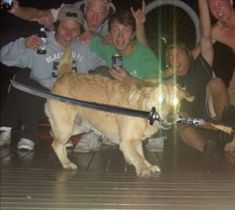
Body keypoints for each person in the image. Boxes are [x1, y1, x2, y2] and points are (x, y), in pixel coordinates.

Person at [0, 5, 106, 150]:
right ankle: (29, 134)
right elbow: (4, 57)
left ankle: (68, 133)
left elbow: (112, 62)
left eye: (74, 29)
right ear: (56, 26)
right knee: (22, 77)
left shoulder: (85, 47)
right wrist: (23, 44)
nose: (69, 34)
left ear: (80, 31)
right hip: (40, 101)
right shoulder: (40, 42)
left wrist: (103, 40)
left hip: (72, 106)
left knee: (101, 74)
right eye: (64, 28)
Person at [73, 9, 160, 152]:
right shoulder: (108, 48)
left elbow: (157, 86)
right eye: (115, 30)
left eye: (125, 30)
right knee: (100, 73)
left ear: (133, 34)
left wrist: (130, 80)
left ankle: (155, 133)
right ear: (109, 33)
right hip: (118, 107)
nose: (119, 36)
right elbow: (83, 37)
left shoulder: (145, 56)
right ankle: (95, 132)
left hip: (141, 108)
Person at [162, 0, 234, 163]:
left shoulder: (201, 66)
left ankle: (229, 126)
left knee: (216, 82)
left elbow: (206, 35)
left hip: (214, 120)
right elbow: (147, 78)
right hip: (193, 129)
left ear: (189, 55)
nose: (175, 58)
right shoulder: (167, 80)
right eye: (170, 57)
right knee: (179, 117)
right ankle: (210, 151)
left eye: (178, 53)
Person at [4, 0, 147, 45]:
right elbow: (38, 14)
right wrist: (17, 10)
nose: (94, 19)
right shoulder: (70, 12)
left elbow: (139, 50)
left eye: (100, 14)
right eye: (91, 12)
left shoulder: (116, 24)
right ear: (85, 9)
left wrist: (139, 26)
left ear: (107, 13)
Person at [207, 0, 235, 155]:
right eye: (212, 8)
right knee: (230, 145)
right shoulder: (218, 31)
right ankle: (228, 131)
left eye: (220, 4)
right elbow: (194, 54)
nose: (217, 10)